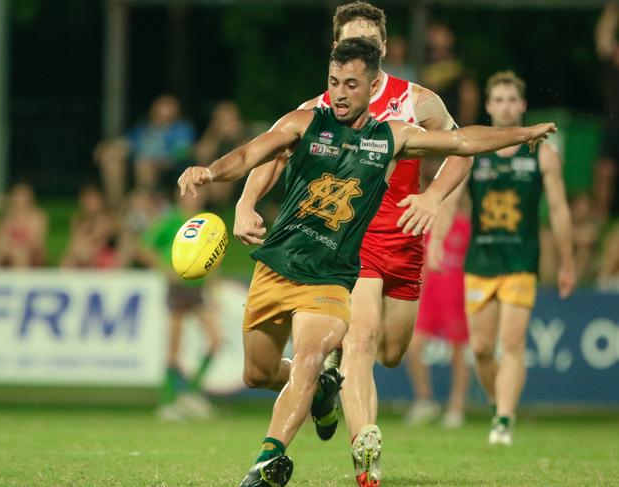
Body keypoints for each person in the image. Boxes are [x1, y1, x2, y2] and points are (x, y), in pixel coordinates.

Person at [178, 38, 555, 487]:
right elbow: (251, 154)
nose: (339, 93)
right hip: (277, 263)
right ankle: (322, 391)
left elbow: (462, 141)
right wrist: (211, 172)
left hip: (333, 277)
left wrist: (521, 134)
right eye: (334, 82)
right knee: (258, 372)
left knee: (313, 354)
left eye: (350, 84)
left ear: (372, 85)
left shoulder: (391, 138)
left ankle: (267, 461)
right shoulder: (304, 122)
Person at [233, 2, 471, 484]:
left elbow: (461, 147)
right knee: (359, 340)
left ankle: (327, 387)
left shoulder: (416, 100)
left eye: (368, 40)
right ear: (336, 47)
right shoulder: (321, 106)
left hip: (404, 239)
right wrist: (246, 200)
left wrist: (434, 197)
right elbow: (272, 152)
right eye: (349, 39)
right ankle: (366, 455)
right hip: (346, 239)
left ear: (382, 49)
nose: (358, 46)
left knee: (391, 351)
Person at [431, 71, 575, 446]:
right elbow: (449, 199)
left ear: (523, 106)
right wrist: (437, 242)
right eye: (500, 99)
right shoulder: (475, 149)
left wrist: (567, 261)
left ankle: (505, 420)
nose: (507, 106)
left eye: (513, 99)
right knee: (480, 349)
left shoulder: (542, 151)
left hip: (521, 262)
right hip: (480, 261)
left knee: (510, 343)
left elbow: (559, 210)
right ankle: (500, 406)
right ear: (489, 106)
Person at [138, 187, 222, 420]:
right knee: (174, 347)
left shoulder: (206, 223)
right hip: (178, 286)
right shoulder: (170, 220)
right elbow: (144, 247)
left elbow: (213, 257)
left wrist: (214, 290)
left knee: (216, 340)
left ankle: (191, 394)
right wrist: (165, 270)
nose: (194, 198)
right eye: (189, 194)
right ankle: (167, 404)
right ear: (180, 196)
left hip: (199, 287)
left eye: (198, 194)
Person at [404, 162, 471, 429]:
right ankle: (424, 400)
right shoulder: (425, 222)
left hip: (456, 295)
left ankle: (456, 408)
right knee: (413, 347)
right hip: (428, 295)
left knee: (458, 353)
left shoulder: (465, 226)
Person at [95, 95, 196, 206]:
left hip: (168, 171)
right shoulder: (144, 129)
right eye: (158, 115)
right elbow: (126, 144)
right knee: (111, 158)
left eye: (167, 117)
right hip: (136, 166)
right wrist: (108, 149)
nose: (161, 120)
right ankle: (116, 204)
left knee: (144, 165)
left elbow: (182, 155)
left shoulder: (182, 130)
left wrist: (155, 161)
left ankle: (142, 202)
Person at [422, 22, 480, 126]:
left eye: (441, 37)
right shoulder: (422, 65)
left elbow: (469, 100)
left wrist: (462, 129)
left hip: (454, 128)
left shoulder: (460, 69)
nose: (436, 41)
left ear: (450, 39)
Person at [593, 1, 619, 219]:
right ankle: (600, 219)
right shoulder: (615, 53)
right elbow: (603, 36)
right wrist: (613, 6)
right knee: (605, 170)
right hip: (615, 122)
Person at [0, 183, 48, 268]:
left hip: (29, 253)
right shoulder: (6, 217)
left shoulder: (37, 217)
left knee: (19, 255)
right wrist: (6, 248)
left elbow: (36, 243)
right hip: (8, 250)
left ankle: (21, 280)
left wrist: (16, 247)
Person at [61, 185, 119, 268]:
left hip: (102, 254)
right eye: (87, 200)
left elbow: (100, 241)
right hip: (81, 253)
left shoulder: (106, 218)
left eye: (93, 200)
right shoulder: (78, 219)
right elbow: (73, 241)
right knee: (68, 260)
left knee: (84, 253)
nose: (90, 203)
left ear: (100, 201)